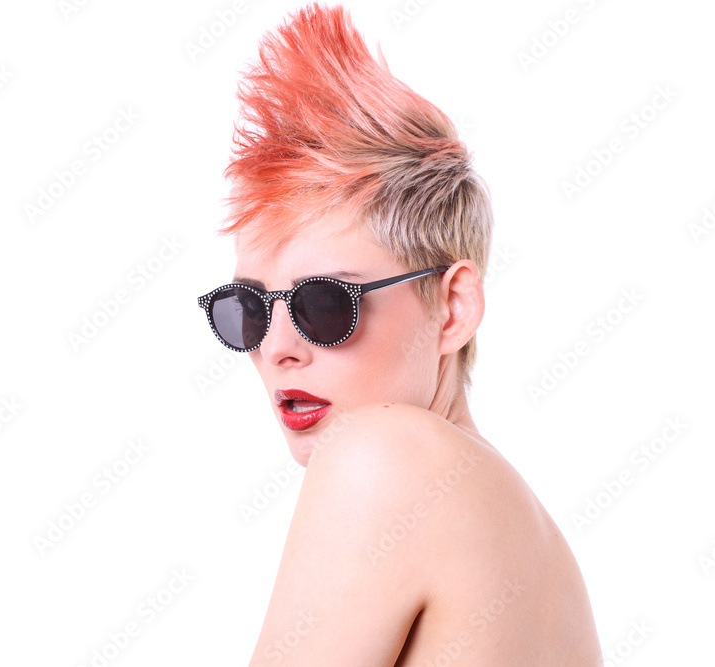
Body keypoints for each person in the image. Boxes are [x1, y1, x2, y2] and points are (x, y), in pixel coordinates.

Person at [197, 4, 602, 664]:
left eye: (323, 305)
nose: (275, 348)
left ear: (453, 308)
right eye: (248, 308)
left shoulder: (383, 454)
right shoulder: (533, 543)